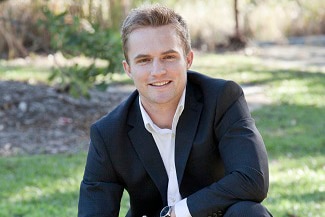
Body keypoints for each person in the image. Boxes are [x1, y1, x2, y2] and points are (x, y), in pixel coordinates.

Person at [78, 4, 272, 217]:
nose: (158, 71)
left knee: (249, 213)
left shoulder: (222, 99)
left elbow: (253, 179)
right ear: (128, 69)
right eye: (144, 60)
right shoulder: (108, 133)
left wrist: (178, 213)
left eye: (168, 57)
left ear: (188, 59)